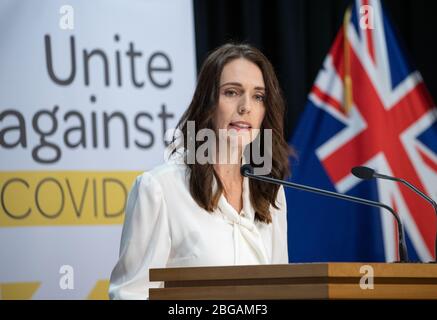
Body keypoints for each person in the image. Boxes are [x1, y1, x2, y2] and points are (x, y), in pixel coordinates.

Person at [108, 43, 291, 300]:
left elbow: (280, 289)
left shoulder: (270, 191)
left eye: (258, 96)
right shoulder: (160, 188)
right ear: (208, 102)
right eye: (231, 92)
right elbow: (130, 294)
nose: (246, 107)